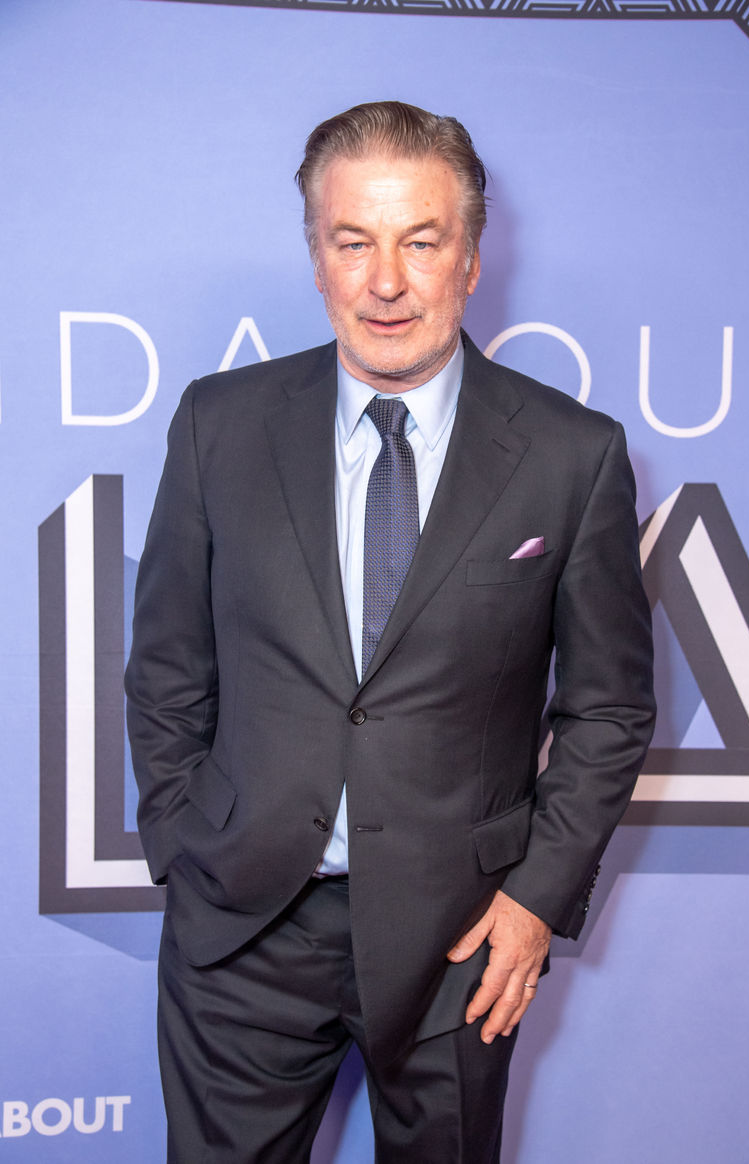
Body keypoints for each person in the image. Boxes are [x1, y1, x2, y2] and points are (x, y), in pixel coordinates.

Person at [125, 100, 655, 1163]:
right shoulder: (217, 424)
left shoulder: (573, 455)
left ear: (470, 258)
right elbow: (169, 665)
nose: (385, 282)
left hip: (464, 939)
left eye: (420, 241)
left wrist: (532, 901)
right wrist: (188, 843)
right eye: (352, 241)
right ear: (316, 258)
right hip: (243, 929)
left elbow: (607, 708)